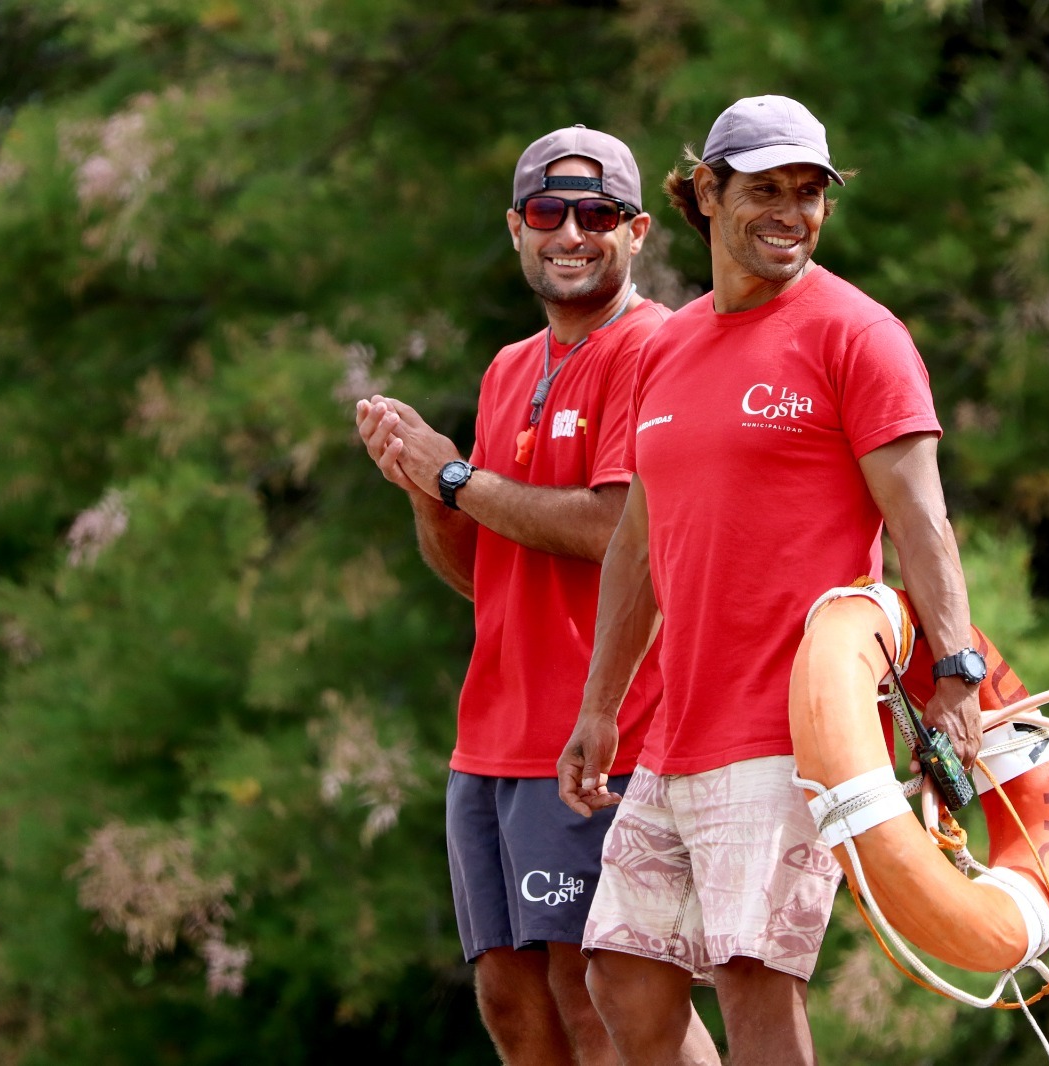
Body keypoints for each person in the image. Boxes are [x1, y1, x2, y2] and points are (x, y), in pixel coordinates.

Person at [556, 95, 985, 1065]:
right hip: (677, 732)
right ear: (704, 193)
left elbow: (922, 518)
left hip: (792, 728)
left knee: (754, 976)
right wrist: (601, 706)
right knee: (621, 976)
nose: (790, 212)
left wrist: (955, 666)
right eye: (764, 190)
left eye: (808, 193)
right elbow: (636, 543)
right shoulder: (665, 347)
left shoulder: (856, 335)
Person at [355, 126, 718, 1065]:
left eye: (597, 214)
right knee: (511, 1001)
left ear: (637, 232)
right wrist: (424, 490)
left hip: (604, 733)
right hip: (491, 738)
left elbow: (613, 527)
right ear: (517, 228)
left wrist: (456, 480)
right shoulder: (508, 366)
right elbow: (482, 572)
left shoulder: (660, 348)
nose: (571, 232)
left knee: (603, 996)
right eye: (549, 213)